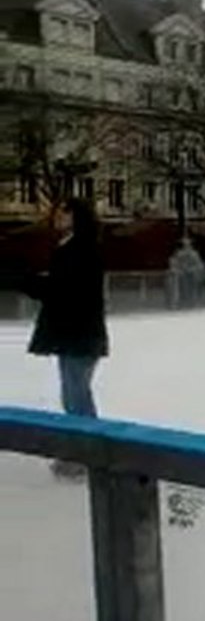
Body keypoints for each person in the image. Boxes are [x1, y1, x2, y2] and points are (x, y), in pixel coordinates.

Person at [22, 198, 109, 480]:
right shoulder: (71, 246)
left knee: (77, 396)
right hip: (73, 333)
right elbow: (61, 289)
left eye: (64, 211)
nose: (57, 215)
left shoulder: (81, 249)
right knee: (73, 394)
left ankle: (88, 454)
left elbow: (66, 290)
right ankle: (83, 452)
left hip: (80, 333)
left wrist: (29, 282)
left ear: (76, 216)